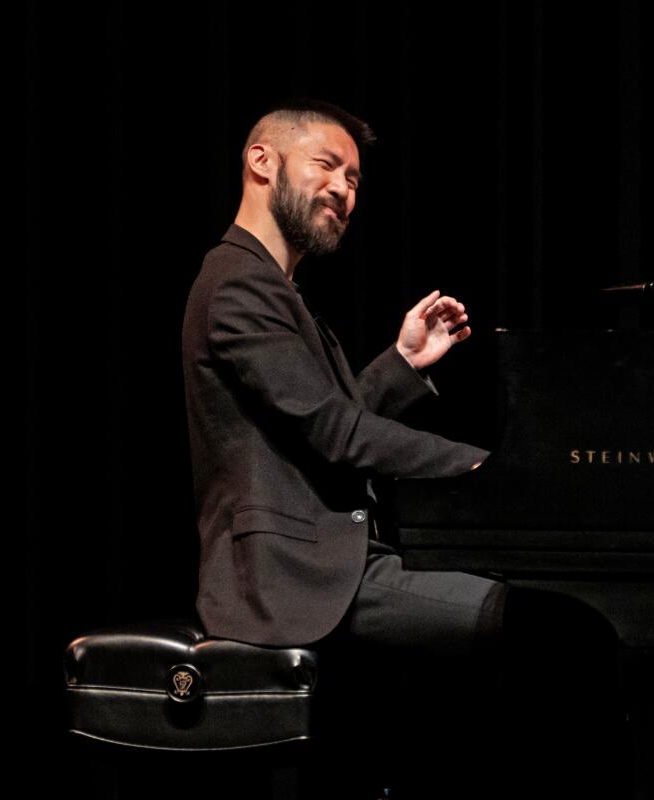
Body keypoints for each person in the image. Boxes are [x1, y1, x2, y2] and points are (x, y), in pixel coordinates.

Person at [182, 98, 504, 664]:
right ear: (262, 161)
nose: (344, 189)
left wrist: (401, 362)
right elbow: (335, 430)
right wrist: (485, 468)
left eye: (354, 179)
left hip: (333, 565)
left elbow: (320, 415)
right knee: (527, 614)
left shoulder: (270, 286)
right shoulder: (239, 283)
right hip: (290, 578)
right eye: (326, 165)